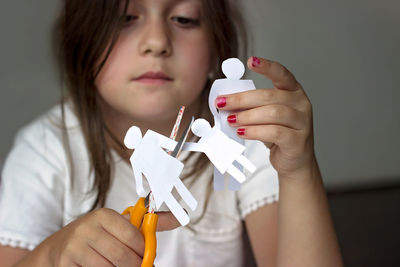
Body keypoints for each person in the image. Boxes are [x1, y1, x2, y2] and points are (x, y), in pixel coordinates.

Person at [0, 0, 343, 266]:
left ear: (217, 44)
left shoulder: (246, 137)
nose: (157, 42)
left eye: (184, 19)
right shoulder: (44, 151)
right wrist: (51, 256)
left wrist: (298, 171)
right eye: (124, 17)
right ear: (80, 42)